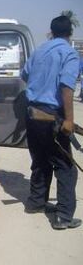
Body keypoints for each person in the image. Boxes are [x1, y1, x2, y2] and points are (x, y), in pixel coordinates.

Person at [21, 15, 81, 229]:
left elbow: (25, 75)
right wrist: (70, 119)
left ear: (52, 31)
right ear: (69, 33)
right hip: (51, 116)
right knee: (66, 167)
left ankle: (36, 203)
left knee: (40, 161)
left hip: (32, 114)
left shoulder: (39, 51)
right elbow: (66, 86)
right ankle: (64, 217)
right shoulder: (69, 53)